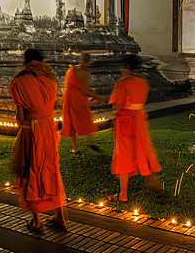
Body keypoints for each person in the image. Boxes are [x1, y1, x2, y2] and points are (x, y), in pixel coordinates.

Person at [9, 49, 67, 232]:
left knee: (30, 170)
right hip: (49, 129)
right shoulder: (52, 79)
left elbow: (20, 117)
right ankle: (60, 218)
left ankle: (37, 221)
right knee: (51, 170)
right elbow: (53, 106)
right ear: (42, 60)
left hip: (31, 131)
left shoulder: (19, 81)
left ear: (26, 62)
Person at [108, 54, 161, 202]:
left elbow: (118, 105)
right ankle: (154, 181)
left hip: (125, 122)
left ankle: (123, 194)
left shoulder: (122, 83)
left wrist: (115, 119)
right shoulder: (142, 82)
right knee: (143, 150)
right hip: (139, 120)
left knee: (123, 157)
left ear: (127, 67)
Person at [61, 53, 105, 154]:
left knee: (70, 120)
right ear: (88, 62)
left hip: (67, 96)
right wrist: (98, 97)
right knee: (84, 117)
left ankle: (75, 148)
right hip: (78, 97)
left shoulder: (72, 68)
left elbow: (71, 84)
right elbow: (84, 90)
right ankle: (90, 141)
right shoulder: (85, 72)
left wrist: (91, 94)